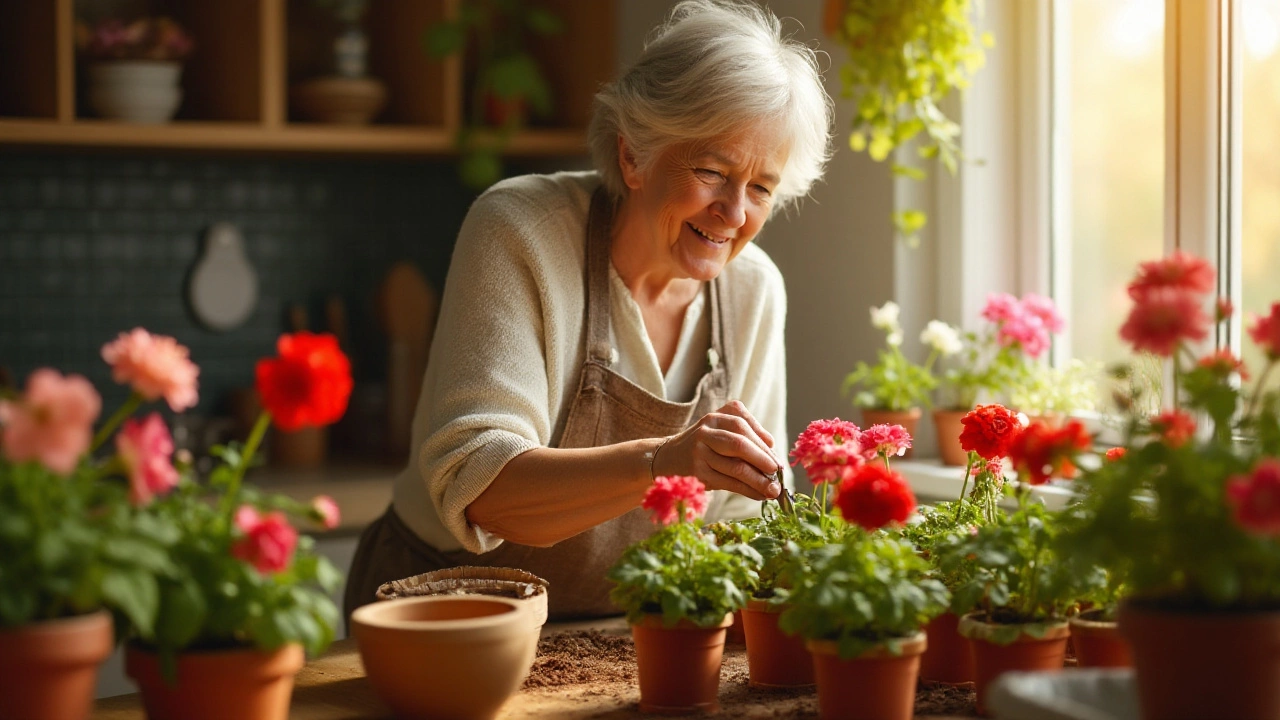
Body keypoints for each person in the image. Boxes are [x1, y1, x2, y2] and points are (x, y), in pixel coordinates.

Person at [344, 0, 833, 620]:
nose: (735, 214)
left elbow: (739, 516)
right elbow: (482, 490)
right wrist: (665, 461)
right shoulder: (524, 230)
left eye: (761, 187)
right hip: (446, 607)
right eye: (711, 171)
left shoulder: (753, 289)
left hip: (622, 627)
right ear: (633, 156)